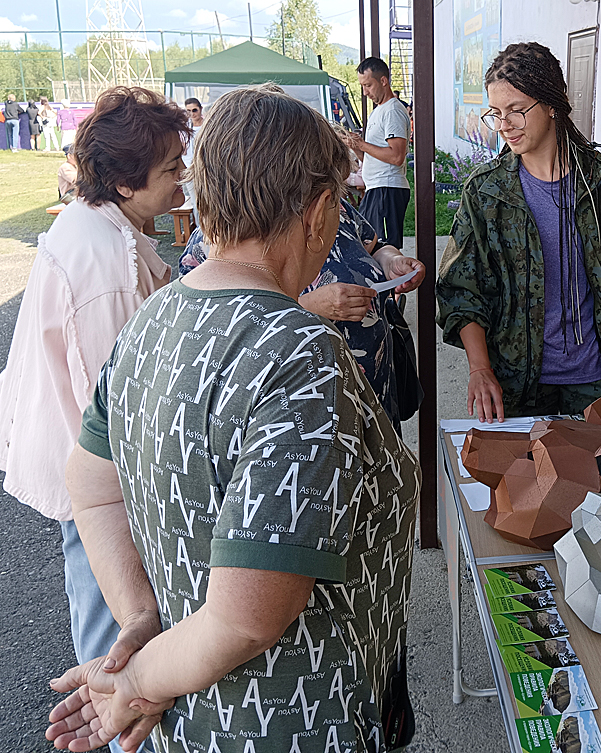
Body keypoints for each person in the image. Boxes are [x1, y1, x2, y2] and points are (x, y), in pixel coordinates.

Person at [45, 83, 420, 753]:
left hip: (189, 723)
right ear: (321, 211)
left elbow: (91, 484)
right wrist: (135, 678)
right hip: (288, 725)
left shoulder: (155, 316)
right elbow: (247, 617)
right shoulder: (298, 350)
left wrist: (139, 617)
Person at [0, 86, 190, 753]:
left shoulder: (102, 226)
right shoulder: (104, 260)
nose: (181, 180)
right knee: (114, 625)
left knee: (110, 610)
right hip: (94, 478)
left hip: (82, 463)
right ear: (121, 179)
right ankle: (113, 729)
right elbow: (114, 407)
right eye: (170, 169)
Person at [436, 42, 601, 422]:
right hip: (515, 383)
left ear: (551, 104)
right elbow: (461, 289)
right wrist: (479, 368)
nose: (504, 125)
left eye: (517, 111)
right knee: (521, 480)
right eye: (496, 113)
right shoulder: (486, 190)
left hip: (597, 378)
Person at [176, 123, 426, 430]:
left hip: (371, 386)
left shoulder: (337, 208)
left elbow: (371, 244)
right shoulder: (219, 232)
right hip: (306, 399)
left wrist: (391, 261)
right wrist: (307, 306)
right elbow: (216, 327)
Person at [349, 57, 411, 250]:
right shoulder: (379, 110)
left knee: (384, 249)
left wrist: (362, 144)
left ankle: (396, 281)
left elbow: (396, 156)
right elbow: (371, 156)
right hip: (376, 188)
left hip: (387, 189)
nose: (365, 92)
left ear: (383, 81)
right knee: (370, 247)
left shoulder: (392, 110)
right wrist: (357, 147)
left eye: (368, 85)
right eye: (362, 86)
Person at [181, 97, 205, 218]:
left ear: (201, 109)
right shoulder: (184, 128)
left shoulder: (208, 125)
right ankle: (199, 231)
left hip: (206, 167)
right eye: (188, 111)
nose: (191, 114)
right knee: (196, 203)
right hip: (189, 168)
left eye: (194, 110)